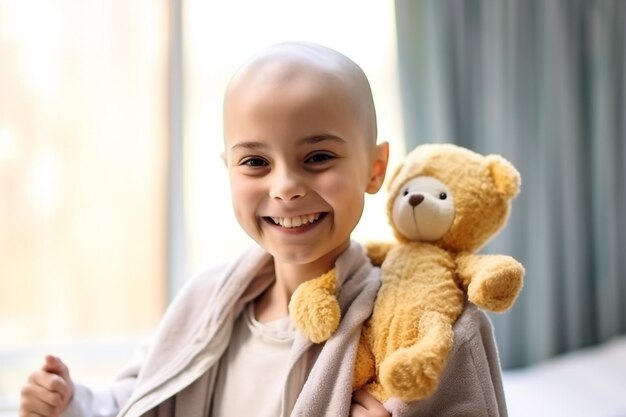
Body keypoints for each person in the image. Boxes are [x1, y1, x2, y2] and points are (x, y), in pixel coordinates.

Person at [19, 42, 509, 417]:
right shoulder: (208, 301)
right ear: (227, 168)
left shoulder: (428, 330)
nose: (286, 187)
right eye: (255, 162)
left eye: (318, 157)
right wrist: (73, 402)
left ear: (375, 167)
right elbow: (146, 395)